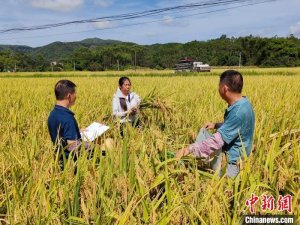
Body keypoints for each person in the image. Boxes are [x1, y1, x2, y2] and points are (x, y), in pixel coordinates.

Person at [176, 70, 255, 178]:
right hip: (236, 154)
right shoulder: (244, 103)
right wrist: (216, 125)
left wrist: (187, 150)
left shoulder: (238, 113)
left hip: (233, 164)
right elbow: (236, 128)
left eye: (219, 85)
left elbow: (216, 142)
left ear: (225, 88)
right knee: (204, 133)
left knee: (217, 185)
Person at [48, 80, 91, 167]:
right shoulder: (68, 118)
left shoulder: (53, 114)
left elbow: (61, 133)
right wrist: (91, 145)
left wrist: (77, 131)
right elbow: (72, 146)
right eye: (75, 93)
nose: (76, 96)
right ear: (69, 96)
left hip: (60, 158)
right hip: (71, 163)